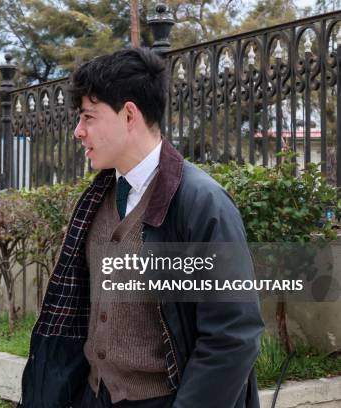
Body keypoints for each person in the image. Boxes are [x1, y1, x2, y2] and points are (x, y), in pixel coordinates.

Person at [19, 48, 264, 408]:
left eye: (89, 117)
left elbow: (233, 334)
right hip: (94, 395)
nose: (78, 131)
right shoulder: (96, 199)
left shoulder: (201, 203)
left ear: (129, 114)